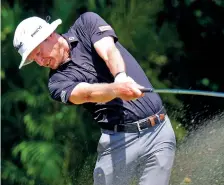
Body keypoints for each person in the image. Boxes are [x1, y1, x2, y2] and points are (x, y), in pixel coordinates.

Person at [13, 12, 176, 185]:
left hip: (160, 131)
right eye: (34, 59)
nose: (39, 62)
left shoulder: (86, 23)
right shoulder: (56, 83)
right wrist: (116, 89)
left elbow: (108, 50)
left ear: (50, 35)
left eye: (38, 52)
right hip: (118, 142)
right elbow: (86, 93)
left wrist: (120, 76)